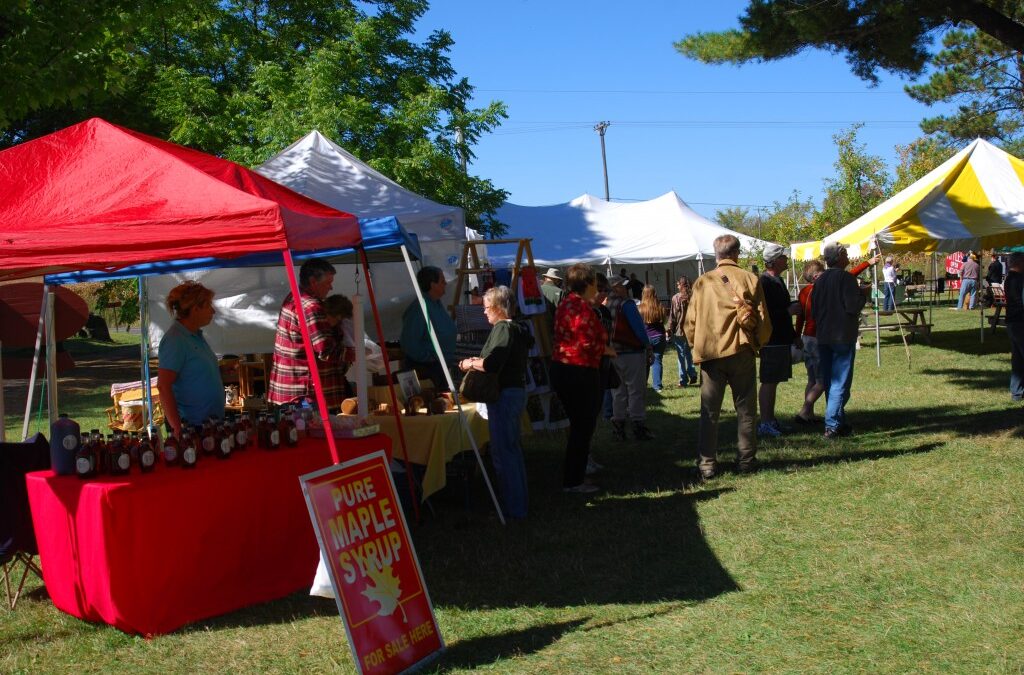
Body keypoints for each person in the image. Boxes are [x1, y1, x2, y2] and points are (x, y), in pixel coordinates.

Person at [684, 234, 771, 478]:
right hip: (741, 351)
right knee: (746, 410)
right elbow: (763, 318)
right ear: (737, 253)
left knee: (709, 412)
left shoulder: (702, 282)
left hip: (711, 354)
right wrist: (759, 343)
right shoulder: (750, 279)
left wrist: (694, 343)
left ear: (717, 254)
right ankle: (746, 461)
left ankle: (707, 465)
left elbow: (690, 321)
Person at [458, 286, 533, 518]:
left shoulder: (503, 328)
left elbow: (492, 364)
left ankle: (513, 509)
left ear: (500, 308)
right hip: (514, 391)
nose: (484, 312)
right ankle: (519, 504)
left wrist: (470, 363)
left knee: (503, 453)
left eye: (487, 307)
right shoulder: (519, 328)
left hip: (504, 394)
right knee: (511, 450)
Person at [551, 263, 614, 493]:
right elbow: (585, 343)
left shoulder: (566, 304)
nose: (597, 288)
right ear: (587, 284)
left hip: (564, 369)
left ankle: (574, 476)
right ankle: (574, 481)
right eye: (595, 284)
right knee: (582, 427)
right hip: (579, 371)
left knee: (579, 427)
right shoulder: (581, 308)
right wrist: (605, 348)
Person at [268, 258, 347, 408]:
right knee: (312, 431)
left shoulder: (292, 297)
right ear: (313, 281)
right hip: (306, 394)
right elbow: (326, 351)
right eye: (327, 283)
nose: (331, 287)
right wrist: (355, 353)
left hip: (290, 389)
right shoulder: (312, 307)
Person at [812, 242, 869, 439]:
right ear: (840, 257)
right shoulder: (845, 278)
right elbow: (852, 307)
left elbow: (813, 309)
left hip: (824, 336)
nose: (848, 257)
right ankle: (832, 425)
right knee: (840, 382)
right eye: (845, 253)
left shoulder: (819, 280)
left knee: (830, 381)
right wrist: (864, 295)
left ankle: (839, 421)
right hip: (842, 335)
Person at [157, 281, 224, 438]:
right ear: (195, 309)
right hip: (193, 429)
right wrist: (178, 429)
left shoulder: (195, 336)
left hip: (210, 424)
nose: (213, 311)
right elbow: (163, 386)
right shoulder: (175, 340)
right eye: (208, 306)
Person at [757, 243, 801, 438]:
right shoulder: (764, 282)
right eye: (783, 257)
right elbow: (764, 314)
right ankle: (765, 423)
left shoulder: (779, 281)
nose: (786, 260)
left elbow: (782, 308)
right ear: (774, 261)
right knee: (769, 381)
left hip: (782, 338)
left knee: (774, 381)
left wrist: (793, 335)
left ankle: (770, 419)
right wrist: (787, 311)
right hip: (771, 340)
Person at [607, 276, 654, 441]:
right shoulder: (626, 305)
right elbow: (639, 329)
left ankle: (618, 426)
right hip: (631, 352)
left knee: (618, 392)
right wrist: (648, 346)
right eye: (622, 287)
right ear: (615, 288)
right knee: (635, 390)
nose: (626, 289)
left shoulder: (606, 304)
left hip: (613, 353)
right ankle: (638, 425)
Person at [400, 266, 457, 391]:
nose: (445, 283)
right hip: (427, 372)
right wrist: (429, 358)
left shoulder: (436, 303)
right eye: (442, 281)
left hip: (440, 368)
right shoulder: (420, 307)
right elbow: (409, 341)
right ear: (433, 285)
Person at [794, 260, 825, 424]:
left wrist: (797, 335)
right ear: (816, 276)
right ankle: (805, 410)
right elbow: (847, 275)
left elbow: (800, 316)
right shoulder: (821, 290)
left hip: (806, 336)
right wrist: (867, 263)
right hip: (818, 337)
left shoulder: (803, 291)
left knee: (811, 379)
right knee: (822, 381)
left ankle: (809, 414)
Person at [321, 294, 356, 407]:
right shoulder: (322, 329)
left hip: (337, 381)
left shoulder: (338, 329)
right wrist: (350, 354)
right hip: (326, 384)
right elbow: (326, 353)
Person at [667, 275, 698, 388]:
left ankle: (683, 380)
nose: (677, 285)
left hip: (680, 330)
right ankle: (692, 372)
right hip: (691, 329)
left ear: (682, 285)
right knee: (688, 353)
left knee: (681, 356)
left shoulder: (676, 298)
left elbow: (673, 316)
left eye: (678, 284)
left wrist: (670, 329)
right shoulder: (693, 296)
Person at [638, 285, 667, 392]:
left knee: (644, 363)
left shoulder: (640, 308)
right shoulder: (660, 306)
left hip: (646, 337)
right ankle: (657, 386)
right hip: (659, 336)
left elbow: (639, 325)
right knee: (657, 360)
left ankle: (643, 385)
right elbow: (664, 321)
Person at [1005, 252, 1024, 401]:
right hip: (1020, 320)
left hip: (1012, 321)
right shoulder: (1019, 279)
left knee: (1017, 358)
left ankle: (1016, 392)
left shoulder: (1009, 278)